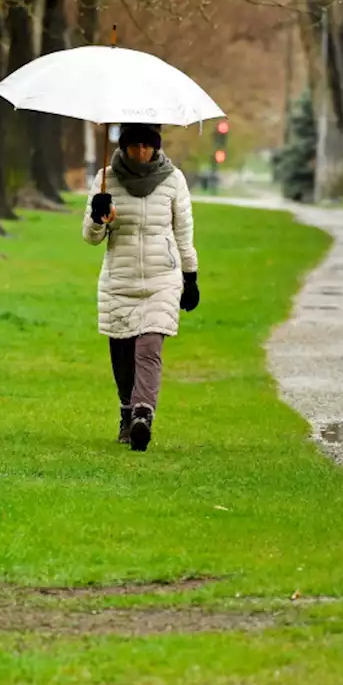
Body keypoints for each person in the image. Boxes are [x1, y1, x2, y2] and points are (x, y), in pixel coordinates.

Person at [83, 123, 200, 452]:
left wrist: (190, 277)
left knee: (149, 347)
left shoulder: (173, 180)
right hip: (120, 278)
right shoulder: (106, 179)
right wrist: (98, 216)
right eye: (133, 146)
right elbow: (90, 239)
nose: (140, 153)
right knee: (122, 353)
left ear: (156, 147)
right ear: (123, 147)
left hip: (162, 277)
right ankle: (126, 410)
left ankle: (142, 416)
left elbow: (183, 232)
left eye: (147, 146)